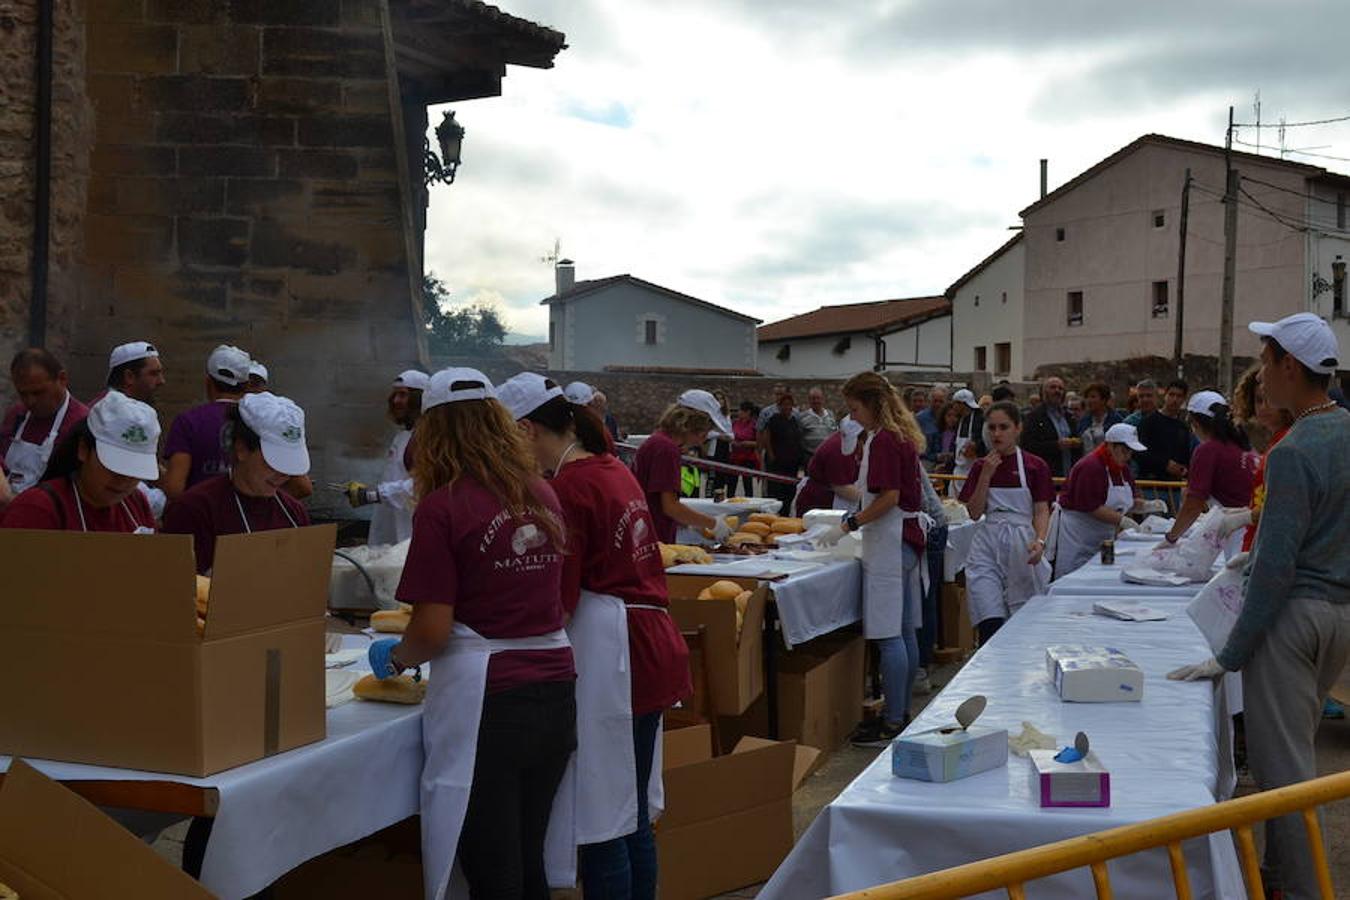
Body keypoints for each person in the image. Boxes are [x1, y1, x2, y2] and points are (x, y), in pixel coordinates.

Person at [364, 368, 577, 900]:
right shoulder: (542, 493)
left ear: (431, 435)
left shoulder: (444, 507)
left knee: (492, 869)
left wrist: (397, 659)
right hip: (556, 690)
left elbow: (432, 630)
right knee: (529, 858)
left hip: (492, 704)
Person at [1168, 313, 1349, 900]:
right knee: (1297, 762)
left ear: (1289, 366)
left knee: (1284, 777)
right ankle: (1288, 880)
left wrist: (1231, 652)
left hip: (1294, 619)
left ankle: (1296, 889)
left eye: (1266, 361)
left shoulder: (1294, 448)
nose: (1262, 376)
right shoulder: (1342, 429)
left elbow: (1275, 568)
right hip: (1338, 616)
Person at [498, 372, 690, 900]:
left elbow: (559, 600)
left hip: (617, 655)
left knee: (602, 816)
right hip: (647, 644)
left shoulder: (568, 488)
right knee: (627, 814)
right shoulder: (611, 469)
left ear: (526, 430)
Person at [839, 373, 927, 747]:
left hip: (890, 543)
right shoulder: (899, 436)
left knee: (889, 636)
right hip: (904, 540)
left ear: (872, 404)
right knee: (905, 631)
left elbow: (888, 496)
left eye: (855, 409)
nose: (853, 417)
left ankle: (892, 720)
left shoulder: (886, 441)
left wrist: (853, 521)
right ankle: (900, 711)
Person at [162, 392, 311, 575]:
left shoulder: (294, 512)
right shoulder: (194, 510)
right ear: (241, 449)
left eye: (289, 465)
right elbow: (173, 588)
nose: (283, 475)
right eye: (273, 463)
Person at [960, 401, 1054, 643]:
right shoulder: (981, 466)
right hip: (987, 541)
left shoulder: (1035, 466)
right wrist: (985, 476)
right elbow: (973, 512)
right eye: (991, 428)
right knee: (988, 612)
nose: (997, 434)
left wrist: (1040, 541)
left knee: (1021, 616)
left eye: (1003, 427)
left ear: (1018, 428)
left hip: (1021, 541)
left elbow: (1041, 510)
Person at [1, 391, 158, 532]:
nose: (124, 479)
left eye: (135, 469)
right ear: (83, 449)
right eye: (114, 466)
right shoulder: (36, 510)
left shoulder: (137, 504)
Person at [1049, 423, 1148, 580]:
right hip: (1078, 535)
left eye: (1130, 452)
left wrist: (1146, 506)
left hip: (1103, 536)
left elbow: (1128, 500)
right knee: (1074, 577)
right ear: (1110, 446)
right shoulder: (1090, 467)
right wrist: (1123, 520)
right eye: (1124, 451)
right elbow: (1092, 506)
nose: (1128, 457)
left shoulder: (1121, 468)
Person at [633, 390, 733, 544]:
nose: (704, 438)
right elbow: (670, 507)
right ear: (692, 425)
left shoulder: (659, 442)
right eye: (705, 431)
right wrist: (713, 523)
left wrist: (691, 522)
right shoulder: (666, 449)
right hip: (655, 537)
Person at [1159, 390, 1253, 549]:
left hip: (1238, 533)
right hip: (1249, 526)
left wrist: (1171, 538)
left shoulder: (1208, 450)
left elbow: (1193, 504)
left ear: (1194, 422)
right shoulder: (1241, 445)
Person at [342, 370, 428, 545]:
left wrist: (373, 494)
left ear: (420, 398)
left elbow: (421, 487)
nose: (396, 401)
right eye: (395, 394)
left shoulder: (427, 437)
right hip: (390, 531)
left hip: (409, 533)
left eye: (403, 395)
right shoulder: (403, 435)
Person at [160, 344, 252, 500]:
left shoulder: (188, 422)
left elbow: (174, 488)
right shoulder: (260, 421)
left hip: (201, 519)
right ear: (247, 385)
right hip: (252, 520)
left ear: (208, 381)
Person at [2, 349, 90, 497]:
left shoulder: (81, 422)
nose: (30, 401)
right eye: (23, 394)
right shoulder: (16, 415)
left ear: (62, 379)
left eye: (38, 393)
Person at [1230, 366, 1295, 554]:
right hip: (1257, 542)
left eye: (1269, 400)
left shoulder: (1287, 442)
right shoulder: (1275, 442)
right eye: (1258, 400)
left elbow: (1281, 504)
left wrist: (1244, 517)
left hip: (1266, 546)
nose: (1263, 407)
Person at [794, 416, 863, 513]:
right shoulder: (840, 447)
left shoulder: (852, 444)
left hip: (831, 500)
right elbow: (840, 486)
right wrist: (869, 499)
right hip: (819, 504)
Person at [1136, 379, 1192, 489]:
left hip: (1174, 486)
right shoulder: (1148, 422)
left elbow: (1185, 455)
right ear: (1165, 395)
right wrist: (1165, 464)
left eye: (1179, 396)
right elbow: (1139, 452)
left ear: (1184, 399)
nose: (1174, 399)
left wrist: (1183, 469)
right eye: (1171, 395)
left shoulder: (1184, 427)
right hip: (1150, 485)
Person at [1019, 376, 1079, 478]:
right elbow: (1027, 445)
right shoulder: (1034, 417)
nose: (1057, 391)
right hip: (1046, 473)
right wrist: (1056, 445)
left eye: (1060, 388)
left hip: (1069, 473)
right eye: (1053, 387)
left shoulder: (1069, 417)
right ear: (1043, 391)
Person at [760, 393, 807, 512]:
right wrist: (771, 454)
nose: (787, 407)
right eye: (784, 405)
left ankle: (785, 513)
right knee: (775, 492)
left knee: (789, 491)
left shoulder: (794, 421)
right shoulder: (773, 419)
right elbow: (766, 437)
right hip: (776, 463)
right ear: (779, 406)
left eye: (789, 405)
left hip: (791, 464)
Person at [948, 388, 985, 497]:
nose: (953, 406)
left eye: (955, 404)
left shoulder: (980, 419)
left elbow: (984, 443)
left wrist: (976, 447)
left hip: (973, 469)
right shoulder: (961, 420)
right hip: (958, 469)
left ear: (962, 404)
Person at [104, 341, 166, 406]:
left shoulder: (104, 404)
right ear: (129, 377)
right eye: (153, 373)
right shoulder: (126, 411)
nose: (161, 381)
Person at [1075, 382, 1124, 454]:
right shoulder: (1084, 420)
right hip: (1087, 462)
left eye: (1093, 397)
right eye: (1087, 397)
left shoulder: (1116, 420)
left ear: (1103, 400)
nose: (1088, 401)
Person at [728, 401, 761, 497]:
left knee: (747, 483)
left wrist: (747, 443)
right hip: (734, 457)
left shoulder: (754, 425)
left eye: (741, 411)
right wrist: (732, 442)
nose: (739, 413)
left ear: (748, 412)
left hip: (747, 458)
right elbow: (730, 436)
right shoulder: (735, 423)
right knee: (732, 483)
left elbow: (759, 443)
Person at [797, 387, 838, 455]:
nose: (816, 401)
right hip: (810, 456)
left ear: (823, 399)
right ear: (809, 400)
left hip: (829, 455)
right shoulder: (802, 417)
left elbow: (835, 434)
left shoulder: (831, 415)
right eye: (813, 398)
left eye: (818, 398)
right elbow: (799, 439)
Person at [913, 385, 946, 453]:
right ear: (929, 401)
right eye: (935, 401)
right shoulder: (919, 418)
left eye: (941, 401)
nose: (938, 404)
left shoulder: (952, 419)